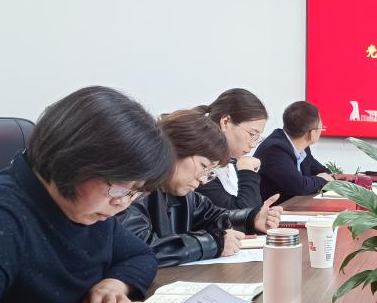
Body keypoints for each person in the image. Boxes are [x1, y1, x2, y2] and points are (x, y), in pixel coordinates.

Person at [0, 86, 173, 303]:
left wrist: (113, 284)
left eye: (135, 192)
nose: (122, 203)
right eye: (120, 187)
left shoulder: (86, 209)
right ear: (74, 160)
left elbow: (140, 255)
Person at [119, 110, 283, 267]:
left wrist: (252, 219)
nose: (203, 180)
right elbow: (140, 248)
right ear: (172, 150)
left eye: (210, 172)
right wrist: (213, 243)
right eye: (204, 166)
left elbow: (215, 216)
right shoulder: (131, 190)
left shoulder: (184, 194)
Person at [194, 88, 269, 210]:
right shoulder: (201, 165)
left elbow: (254, 211)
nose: (253, 145)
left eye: (257, 138)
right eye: (252, 134)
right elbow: (243, 214)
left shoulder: (232, 163)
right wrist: (247, 171)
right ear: (225, 122)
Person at [255, 100, 334, 200]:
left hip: (293, 206)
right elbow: (299, 186)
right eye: (321, 128)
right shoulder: (274, 149)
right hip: (274, 208)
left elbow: (323, 172)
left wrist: (326, 178)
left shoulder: (303, 148)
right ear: (311, 133)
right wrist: (322, 180)